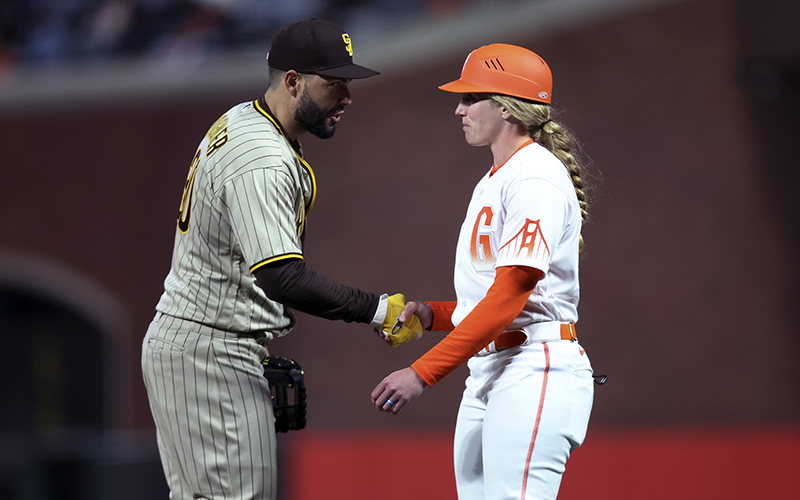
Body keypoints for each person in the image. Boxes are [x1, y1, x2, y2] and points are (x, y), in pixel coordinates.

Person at [142, 18, 417, 500]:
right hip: (210, 349)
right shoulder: (262, 156)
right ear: (293, 81)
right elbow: (280, 275)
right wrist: (376, 309)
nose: (347, 97)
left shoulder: (244, 117)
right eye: (334, 84)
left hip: (205, 341)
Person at [370, 43, 596, 500]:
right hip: (494, 367)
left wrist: (422, 372)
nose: (459, 108)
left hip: (534, 367)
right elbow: (495, 302)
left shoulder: (533, 176)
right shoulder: (498, 176)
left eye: (471, 97)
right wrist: (433, 314)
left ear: (508, 106)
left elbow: (511, 294)